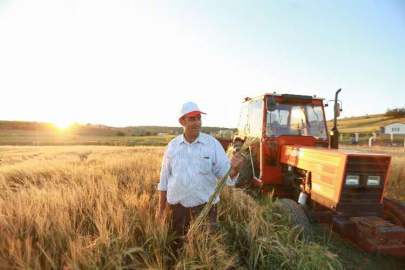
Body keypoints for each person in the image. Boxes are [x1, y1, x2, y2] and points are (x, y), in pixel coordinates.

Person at [156, 101, 244, 249]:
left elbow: (226, 176)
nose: (197, 122)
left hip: (206, 209)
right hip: (177, 210)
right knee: (178, 248)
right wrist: (161, 209)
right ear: (182, 121)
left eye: (199, 118)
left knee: (205, 249)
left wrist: (236, 168)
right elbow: (164, 180)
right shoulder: (172, 146)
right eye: (192, 119)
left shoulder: (213, 144)